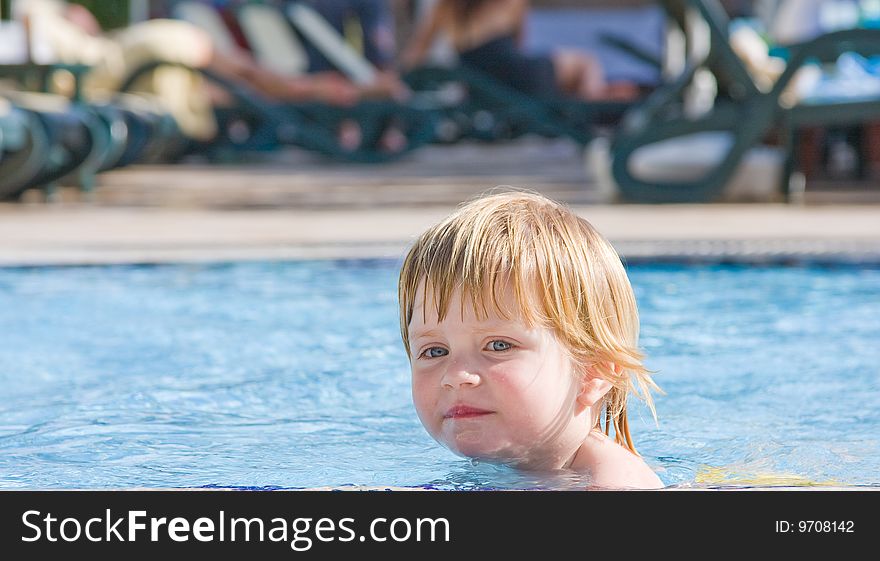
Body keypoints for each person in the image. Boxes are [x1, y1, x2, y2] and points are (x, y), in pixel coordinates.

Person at [398, 191, 664, 489]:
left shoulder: (612, 483)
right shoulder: (504, 466)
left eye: (498, 345)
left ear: (593, 373)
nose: (457, 376)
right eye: (434, 351)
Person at [400, 0, 637, 100]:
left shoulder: (447, 6)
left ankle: (601, 98)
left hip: (475, 79)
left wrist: (400, 78)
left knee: (573, 67)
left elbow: (416, 53)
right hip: (517, 75)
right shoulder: (510, 3)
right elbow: (522, 45)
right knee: (585, 62)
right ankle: (598, 102)